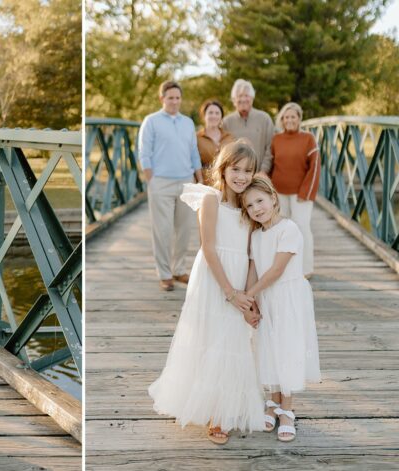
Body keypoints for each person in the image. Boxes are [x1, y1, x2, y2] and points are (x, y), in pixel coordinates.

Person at [148, 140, 264, 445]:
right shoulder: (211, 200)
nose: (241, 176)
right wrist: (230, 292)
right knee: (210, 338)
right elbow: (209, 248)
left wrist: (249, 295)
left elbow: (251, 253)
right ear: (222, 169)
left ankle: (224, 405)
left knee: (234, 339)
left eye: (248, 171)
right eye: (235, 169)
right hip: (214, 278)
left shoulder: (249, 205)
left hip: (239, 275)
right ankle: (214, 412)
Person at [241, 176, 321, 443]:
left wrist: (247, 295)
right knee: (268, 347)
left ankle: (287, 409)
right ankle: (272, 402)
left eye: (260, 201)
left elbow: (276, 270)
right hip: (267, 297)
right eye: (249, 205)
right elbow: (253, 268)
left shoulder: (289, 229)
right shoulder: (255, 235)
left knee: (287, 349)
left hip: (288, 297)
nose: (256, 208)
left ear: (274, 199)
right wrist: (252, 301)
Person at [137, 81, 204, 291]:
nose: (174, 101)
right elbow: (144, 153)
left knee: (184, 231)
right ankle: (164, 274)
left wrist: (199, 178)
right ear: (162, 99)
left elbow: (193, 152)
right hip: (161, 183)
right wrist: (151, 180)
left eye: (177, 98)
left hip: (186, 182)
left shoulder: (188, 123)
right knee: (163, 231)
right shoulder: (151, 121)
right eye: (170, 98)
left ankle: (179, 269)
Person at [269, 102, 318, 277]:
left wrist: (306, 193)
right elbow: (271, 165)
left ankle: (306, 269)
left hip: (300, 194)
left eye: (293, 117)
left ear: (299, 119)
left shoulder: (308, 138)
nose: (289, 120)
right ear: (282, 119)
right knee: (281, 230)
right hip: (279, 192)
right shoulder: (276, 139)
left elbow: (315, 168)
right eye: (286, 117)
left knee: (302, 229)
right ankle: (284, 268)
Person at [223, 79, 276, 177]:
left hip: (260, 175)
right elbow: (225, 151)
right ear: (234, 100)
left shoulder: (265, 118)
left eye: (246, 95)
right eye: (239, 96)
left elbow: (271, 147)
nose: (243, 99)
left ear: (252, 98)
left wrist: (264, 170)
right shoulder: (226, 122)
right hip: (235, 177)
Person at [196, 99, 235, 185]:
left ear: (221, 117)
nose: (214, 116)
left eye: (217, 113)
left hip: (226, 183)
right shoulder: (197, 138)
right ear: (204, 115)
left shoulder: (229, 137)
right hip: (204, 184)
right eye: (210, 113)